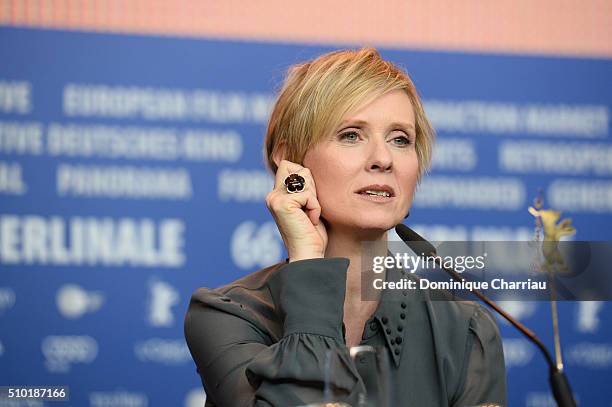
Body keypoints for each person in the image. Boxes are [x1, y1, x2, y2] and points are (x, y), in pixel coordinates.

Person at [184, 47, 507, 406]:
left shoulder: (465, 329)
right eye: (351, 135)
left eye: (400, 139)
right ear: (289, 158)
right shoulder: (227, 315)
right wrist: (308, 259)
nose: (383, 159)